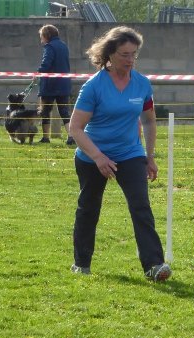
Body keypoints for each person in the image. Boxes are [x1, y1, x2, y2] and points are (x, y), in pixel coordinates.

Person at [68, 26, 171, 282]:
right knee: (88, 208)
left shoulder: (142, 84)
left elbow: (148, 121)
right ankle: (81, 263)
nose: (130, 60)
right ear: (110, 54)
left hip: (129, 153)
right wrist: (98, 157)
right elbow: (75, 128)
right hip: (92, 154)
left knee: (141, 207)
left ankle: (154, 265)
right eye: (125, 54)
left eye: (134, 54)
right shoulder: (93, 86)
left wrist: (150, 155)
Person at [37, 24, 74, 145]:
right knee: (64, 111)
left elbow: (46, 63)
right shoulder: (64, 46)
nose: (41, 39)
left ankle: (46, 137)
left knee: (45, 111)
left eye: (42, 36)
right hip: (64, 83)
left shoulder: (49, 47)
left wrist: (39, 72)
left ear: (46, 36)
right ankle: (71, 136)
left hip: (50, 84)